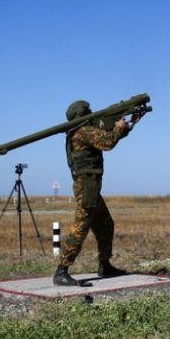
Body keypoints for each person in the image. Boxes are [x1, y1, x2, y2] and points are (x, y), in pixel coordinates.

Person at [53, 100, 138, 286]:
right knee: (81, 227)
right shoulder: (82, 131)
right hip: (87, 185)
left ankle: (105, 266)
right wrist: (119, 128)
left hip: (90, 184)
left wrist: (129, 124)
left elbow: (107, 136)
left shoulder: (81, 131)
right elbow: (107, 142)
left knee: (106, 224)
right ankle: (61, 270)